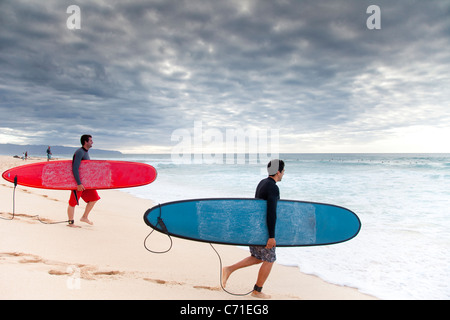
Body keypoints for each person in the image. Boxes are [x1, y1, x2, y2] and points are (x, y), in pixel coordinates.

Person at [222, 159, 285, 299]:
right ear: (278, 172)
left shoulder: (262, 183)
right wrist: (271, 236)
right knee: (270, 259)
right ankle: (257, 290)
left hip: (254, 228)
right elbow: (270, 212)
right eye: (283, 171)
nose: (283, 174)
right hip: (263, 231)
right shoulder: (273, 187)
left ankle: (228, 269)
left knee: (257, 257)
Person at [67, 135, 100, 227]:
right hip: (78, 183)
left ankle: (84, 217)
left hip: (86, 184)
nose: (92, 142)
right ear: (85, 142)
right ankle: (70, 223)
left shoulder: (86, 152)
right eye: (90, 140)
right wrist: (78, 183)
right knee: (72, 203)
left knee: (94, 198)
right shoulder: (80, 152)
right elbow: (75, 168)